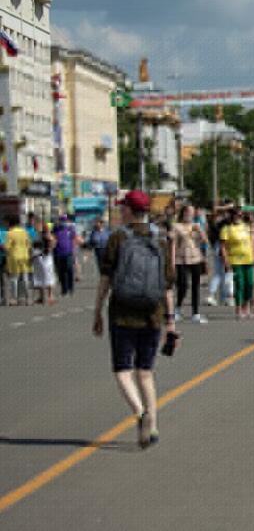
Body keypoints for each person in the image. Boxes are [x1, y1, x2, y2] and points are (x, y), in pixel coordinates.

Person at [91, 190, 176, 449]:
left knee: (122, 370)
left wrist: (97, 311)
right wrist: (171, 320)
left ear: (129, 210)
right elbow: (167, 285)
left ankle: (140, 414)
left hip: (122, 313)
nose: (120, 211)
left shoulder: (118, 238)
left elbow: (106, 278)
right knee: (146, 372)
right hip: (153, 312)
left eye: (123, 207)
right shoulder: (160, 239)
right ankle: (153, 425)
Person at [171, 205, 208, 324]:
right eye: (188, 212)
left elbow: (205, 240)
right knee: (182, 285)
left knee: (196, 286)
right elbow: (173, 244)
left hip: (195, 258)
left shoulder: (196, 225)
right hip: (181, 259)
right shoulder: (176, 226)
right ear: (183, 213)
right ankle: (177, 309)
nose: (190, 215)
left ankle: (195, 313)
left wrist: (200, 231)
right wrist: (172, 261)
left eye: (192, 213)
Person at [220, 209, 254, 320]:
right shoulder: (226, 229)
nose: (238, 217)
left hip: (248, 259)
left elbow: (252, 241)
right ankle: (238, 309)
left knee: (250, 284)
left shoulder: (246, 227)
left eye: (240, 215)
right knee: (239, 284)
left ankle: (246, 307)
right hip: (235, 260)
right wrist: (226, 261)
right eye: (236, 215)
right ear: (232, 216)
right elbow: (223, 247)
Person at [6, 217, 31, 305]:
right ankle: (28, 298)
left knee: (14, 278)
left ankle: (14, 299)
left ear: (10, 224)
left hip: (14, 256)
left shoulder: (10, 233)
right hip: (24, 256)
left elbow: (7, 247)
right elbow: (29, 244)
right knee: (25, 278)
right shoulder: (25, 232)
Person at [32, 220, 57, 306]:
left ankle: (50, 296)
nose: (36, 227)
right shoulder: (38, 235)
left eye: (37, 225)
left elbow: (53, 243)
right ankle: (42, 297)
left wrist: (47, 250)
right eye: (36, 226)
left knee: (48, 276)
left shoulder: (47, 235)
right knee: (39, 277)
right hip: (38, 258)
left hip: (45, 258)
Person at [52, 214, 78, 298]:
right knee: (62, 272)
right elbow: (53, 239)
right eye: (61, 220)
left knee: (69, 271)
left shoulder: (70, 229)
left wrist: (74, 251)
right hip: (59, 254)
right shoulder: (56, 229)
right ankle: (64, 290)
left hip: (69, 253)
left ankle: (71, 288)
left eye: (64, 220)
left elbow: (74, 239)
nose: (63, 222)